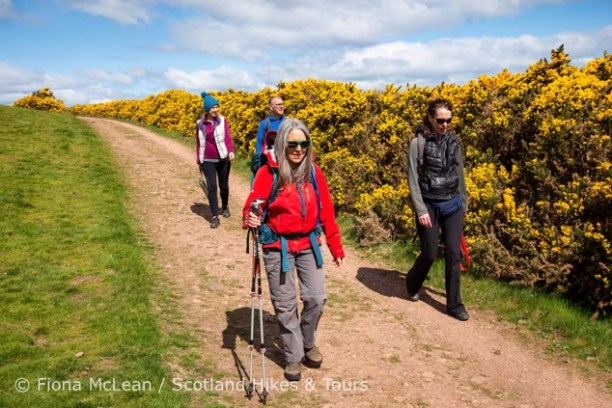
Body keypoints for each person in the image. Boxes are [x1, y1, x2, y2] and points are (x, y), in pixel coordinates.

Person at [243, 118, 345, 382]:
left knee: (316, 298)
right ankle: (293, 356)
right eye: (293, 144)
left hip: (309, 244)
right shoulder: (269, 173)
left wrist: (336, 246)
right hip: (278, 247)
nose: (299, 149)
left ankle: (307, 342)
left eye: (304, 143)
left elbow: (327, 211)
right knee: (285, 305)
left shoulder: (313, 171)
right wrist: (251, 217)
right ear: (282, 145)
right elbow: (252, 205)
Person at [406, 98, 470, 321]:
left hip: (452, 203)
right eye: (441, 120)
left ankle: (454, 304)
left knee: (454, 253)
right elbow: (413, 179)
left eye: (448, 120)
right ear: (431, 119)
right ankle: (412, 282)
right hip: (429, 205)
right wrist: (421, 209)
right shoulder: (418, 143)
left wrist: (464, 201)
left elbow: (459, 172)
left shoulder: (454, 141)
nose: (445, 125)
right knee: (430, 252)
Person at [196, 91, 235, 228]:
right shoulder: (200, 124)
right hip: (208, 160)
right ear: (207, 110)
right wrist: (199, 161)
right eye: (213, 107)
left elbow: (228, 138)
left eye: (217, 107)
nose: (215, 110)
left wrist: (230, 151)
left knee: (223, 185)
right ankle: (214, 216)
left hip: (223, 158)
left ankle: (224, 206)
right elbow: (198, 143)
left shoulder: (223, 120)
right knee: (212, 187)